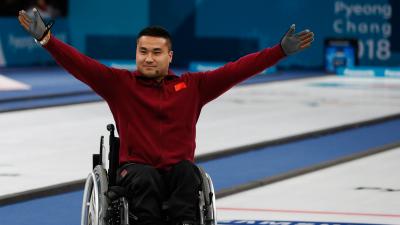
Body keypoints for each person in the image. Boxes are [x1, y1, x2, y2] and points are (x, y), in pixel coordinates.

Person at [18, 8, 314, 225]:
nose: (148, 57)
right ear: (136, 53)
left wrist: (278, 52)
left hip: (177, 174)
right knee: (145, 178)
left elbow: (236, 70)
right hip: (136, 172)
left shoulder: (192, 87)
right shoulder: (119, 84)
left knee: (187, 173)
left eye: (156, 52)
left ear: (169, 56)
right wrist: (46, 39)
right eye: (143, 51)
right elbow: (79, 64)